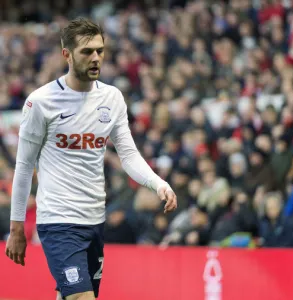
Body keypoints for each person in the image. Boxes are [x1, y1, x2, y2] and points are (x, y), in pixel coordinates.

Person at [5, 18, 177, 300]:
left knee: (72, 296)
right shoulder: (41, 102)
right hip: (58, 221)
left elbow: (129, 153)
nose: (96, 58)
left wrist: (157, 184)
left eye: (100, 50)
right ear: (67, 55)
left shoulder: (112, 98)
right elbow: (24, 167)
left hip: (95, 219)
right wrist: (16, 228)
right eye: (87, 52)